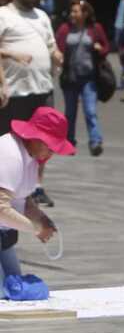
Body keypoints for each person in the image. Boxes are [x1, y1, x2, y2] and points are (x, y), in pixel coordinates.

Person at [0, 0, 62, 207]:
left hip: (42, 89)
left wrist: (56, 55)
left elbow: (51, 46)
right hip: (15, 92)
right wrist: (2, 83)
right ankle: (7, 187)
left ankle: (36, 186)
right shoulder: (3, 15)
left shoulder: (42, 16)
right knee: (9, 142)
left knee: (43, 141)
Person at [0, 106, 70, 280]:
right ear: (36, 139)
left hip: (4, 235)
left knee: (15, 285)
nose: (52, 153)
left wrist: (41, 219)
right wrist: (36, 228)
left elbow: (21, 199)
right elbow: (1, 209)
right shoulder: (10, 154)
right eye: (51, 147)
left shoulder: (31, 157)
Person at [55, 0, 110, 156]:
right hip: (70, 78)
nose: (72, 14)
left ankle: (95, 142)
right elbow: (56, 46)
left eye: (75, 11)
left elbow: (106, 47)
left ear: (85, 13)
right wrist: (59, 57)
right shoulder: (65, 29)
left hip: (89, 78)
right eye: (71, 11)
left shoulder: (95, 28)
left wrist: (100, 49)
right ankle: (69, 142)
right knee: (70, 112)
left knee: (90, 111)